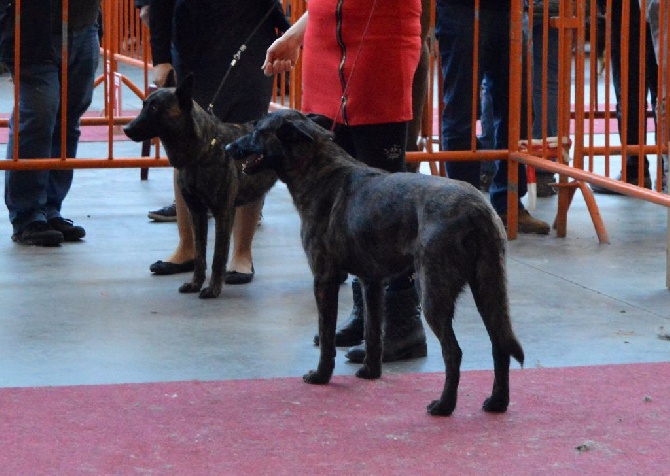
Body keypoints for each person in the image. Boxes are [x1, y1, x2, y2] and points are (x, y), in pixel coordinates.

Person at [263, 0, 428, 363]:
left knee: (383, 202)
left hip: (381, 48)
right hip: (324, 54)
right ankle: (366, 314)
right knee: (339, 197)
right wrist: (295, 34)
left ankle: (403, 322)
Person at [146, 0, 290, 283]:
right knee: (187, 146)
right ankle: (188, 248)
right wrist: (160, 56)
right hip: (193, 44)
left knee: (249, 144)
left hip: (250, 39)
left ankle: (242, 253)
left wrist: (288, 35)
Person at [435, 0, 551, 234]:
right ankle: (463, 209)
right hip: (461, 9)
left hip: (511, 9)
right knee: (462, 110)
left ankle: (508, 204)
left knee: (517, 110)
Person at [0, 0, 100, 246]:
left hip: (83, 24)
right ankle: (28, 214)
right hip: (32, 27)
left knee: (68, 116)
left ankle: (49, 208)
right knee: (39, 114)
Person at [591, 0, 658, 193]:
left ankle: (634, 170)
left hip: (626, 10)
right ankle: (665, 169)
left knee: (630, 91)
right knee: (662, 91)